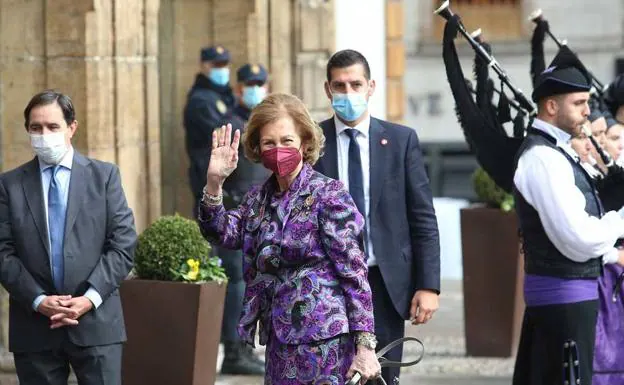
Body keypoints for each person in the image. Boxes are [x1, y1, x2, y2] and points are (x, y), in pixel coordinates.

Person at [197, 93, 381, 384]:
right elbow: (221, 232)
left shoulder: (328, 195)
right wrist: (214, 183)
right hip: (279, 341)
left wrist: (365, 346)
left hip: (326, 342)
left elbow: (354, 273)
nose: (278, 149)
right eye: (269, 143)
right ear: (258, 148)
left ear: (305, 143)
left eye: (287, 141)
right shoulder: (258, 199)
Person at [314, 49, 441, 385]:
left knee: (381, 376)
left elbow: (423, 218)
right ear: (328, 90)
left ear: (371, 87)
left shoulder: (400, 141)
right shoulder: (312, 144)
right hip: (328, 284)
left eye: (355, 84)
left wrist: (428, 285)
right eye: (339, 86)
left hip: (384, 282)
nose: (348, 93)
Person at [0, 90, 137, 385]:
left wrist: (89, 299)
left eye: (52, 127)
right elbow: (3, 252)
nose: (44, 135)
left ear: (71, 128)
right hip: (35, 325)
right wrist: (38, 300)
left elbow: (123, 245)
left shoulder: (104, 177)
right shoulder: (9, 185)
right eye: (36, 128)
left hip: (96, 323)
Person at [511, 49, 624, 385]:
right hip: (563, 297)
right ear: (551, 106)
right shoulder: (543, 158)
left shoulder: (557, 153)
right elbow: (579, 238)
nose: (588, 112)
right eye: (579, 103)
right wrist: (619, 220)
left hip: (574, 295)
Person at [215, 63, 271, 375]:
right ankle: (235, 351)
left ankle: (246, 348)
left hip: (262, 215)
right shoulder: (231, 123)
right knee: (236, 283)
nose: (254, 88)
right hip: (236, 213)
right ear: (238, 88)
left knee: (252, 285)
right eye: (249, 83)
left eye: (259, 83)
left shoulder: (265, 123)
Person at [184, 45, 236, 213]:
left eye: (224, 64)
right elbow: (222, 133)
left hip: (229, 181)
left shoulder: (225, 95)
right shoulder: (201, 100)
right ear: (203, 66)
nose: (221, 69)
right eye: (216, 65)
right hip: (209, 178)